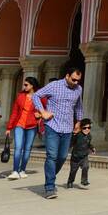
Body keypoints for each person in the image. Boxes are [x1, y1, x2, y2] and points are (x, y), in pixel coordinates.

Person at [33, 63, 84, 200]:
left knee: (62, 157)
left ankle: (50, 176)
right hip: (52, 126)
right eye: (73, 79)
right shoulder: (54, 85)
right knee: (52, 156)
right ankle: (50, 187)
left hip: (67, 128)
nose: (76, 82)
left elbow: (79, 106)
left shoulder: (78, 89)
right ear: (67, 76)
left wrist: (78, 122)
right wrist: (42, 111)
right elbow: (36, 96)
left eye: (78, 80)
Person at [7, 77, 43, 179]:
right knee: (18, 147)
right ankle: (15, 171)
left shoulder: (39, 96)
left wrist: (40, 114)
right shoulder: (21, 96)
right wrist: (9, 127)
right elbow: (14, 111)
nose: (24, 86)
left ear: (32, 85)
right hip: (19, 124)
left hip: (32, 126)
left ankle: (22, 170)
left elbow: (46, 108)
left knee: (27, 149)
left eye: (26, 85)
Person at [66, 118, 95, 189]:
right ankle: (70, 181)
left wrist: (92, 148)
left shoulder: (89, 136)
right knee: (73, 171)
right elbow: (71, 143)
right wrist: (74, 134)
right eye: (85, 128)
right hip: (75, 157)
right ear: (81, 128)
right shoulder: (77, 135)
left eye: (89, 128)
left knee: (86, 166)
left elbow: (88, 144)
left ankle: (84, 181)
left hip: (84, 156)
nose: (87, 129)